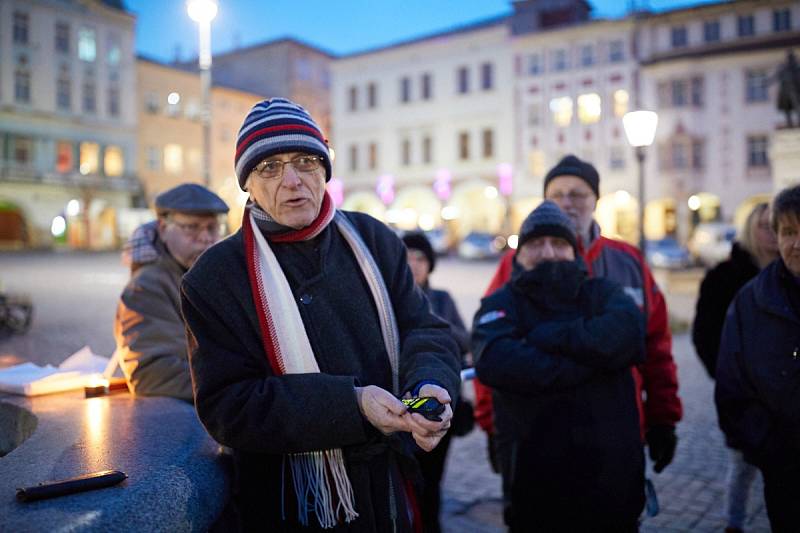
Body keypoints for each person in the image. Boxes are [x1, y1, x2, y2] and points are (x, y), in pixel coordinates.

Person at [180, 97, 461, 531]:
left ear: (325, 170)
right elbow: (227, 406)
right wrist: (351, 405)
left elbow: (425, 329)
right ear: (248, 184)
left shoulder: (373, 238)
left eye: (306, 161)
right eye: (270, 167)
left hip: (388, 490)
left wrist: (431, 383)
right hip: (292, 505)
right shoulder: (215, 277)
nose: (292, 180)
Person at [474, 154, 682, 476]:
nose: (567, 203)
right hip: (536, 437)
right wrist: (492, 425)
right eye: (557, 194)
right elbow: (492, 354)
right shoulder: (515, 264)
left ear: (595, 200)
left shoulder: (628, 261)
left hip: (615, 432)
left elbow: (655, 345)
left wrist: (662, 417)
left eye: (578, 194)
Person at [473, 201, 646, 532]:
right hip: (535, 488)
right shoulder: (500, 304)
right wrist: (596, 361)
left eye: (558, 243)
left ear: (574, 251)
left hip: (613, 486)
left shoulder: (603, 293)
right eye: (536, 244)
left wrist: (545, 336)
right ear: (518, 254)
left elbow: (629, 333)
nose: (548, 252)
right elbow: (496, 361)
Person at [715, 184, 800, 533]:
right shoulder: (751, 301)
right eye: (789, 232)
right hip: (786, 472)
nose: (797, 244)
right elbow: (732, 387)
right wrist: (772, 450)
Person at [693, 202, 777, 533]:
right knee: (742, 463)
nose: (770, 233)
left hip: (787, 389)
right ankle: (734, 523)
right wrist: (725, 375)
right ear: (749, 230)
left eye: (777, 226)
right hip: (744, 389)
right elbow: (706, 334)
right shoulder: (724, 277)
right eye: (764, 226)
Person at [113, 183, 229, 401]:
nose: (205, 237)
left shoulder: (212, 275)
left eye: (212, 228)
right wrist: (235, 386)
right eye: (192, 227)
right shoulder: (146, 287)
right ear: (163, 229)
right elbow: (151, 373)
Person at [402, 231, 469, 533]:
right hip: (403, 402)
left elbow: (465, 340)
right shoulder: (390, 300)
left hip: (440, 400)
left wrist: (432, 326)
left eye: (420, 258)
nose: (414, 265)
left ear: (430, 264)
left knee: (432, 477)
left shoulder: (441, 300)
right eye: (407, 258)